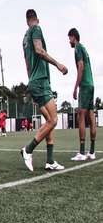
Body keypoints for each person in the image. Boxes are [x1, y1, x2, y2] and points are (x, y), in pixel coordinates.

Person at [19, 9, 67, 172]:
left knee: (49, 122)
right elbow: (39, 50)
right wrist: (58, 64)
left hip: (34, 82)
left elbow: (27, 64)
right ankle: (28, 150)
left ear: (27, 20)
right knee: (53, 120)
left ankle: (50, 160)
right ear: (37, 19)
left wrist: (31, 84)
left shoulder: (24, 39)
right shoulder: (36, 29)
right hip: (41, 81)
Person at [68, 28, 96, 161]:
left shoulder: (78, 48)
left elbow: (81, 66)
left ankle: (82, 152)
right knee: (91, 115)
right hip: (91, 84)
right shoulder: (84, 48)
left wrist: (75, 87)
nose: (69, 41)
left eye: (69, 38)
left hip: (84, 85)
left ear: (74, 37)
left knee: (81, 116)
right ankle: (92, 152)